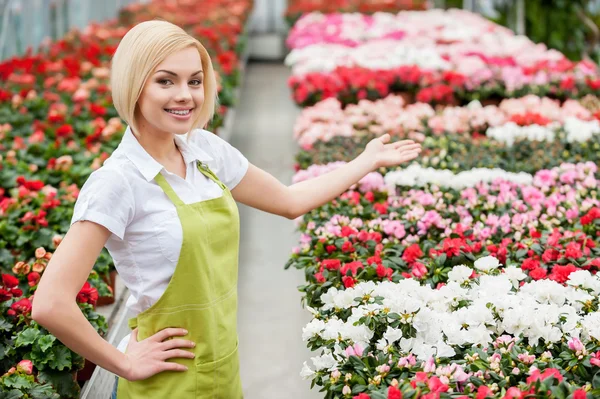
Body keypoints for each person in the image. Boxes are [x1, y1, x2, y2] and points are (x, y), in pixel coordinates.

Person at [31, 20, 422, 399]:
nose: (185, 94)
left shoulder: (204, 151)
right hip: (163, 384)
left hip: (221, 366)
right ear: (134, 86)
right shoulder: (118, 181)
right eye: (166, 81)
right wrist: (123, 363)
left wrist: (364, 161)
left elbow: (289, 202)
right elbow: (50, 304)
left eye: (194, 81)